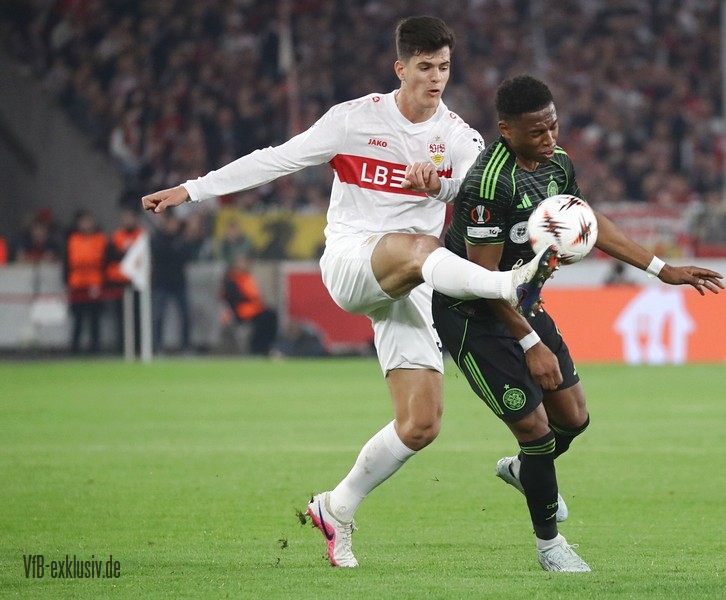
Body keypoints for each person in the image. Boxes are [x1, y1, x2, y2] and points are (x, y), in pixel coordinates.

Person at [140, 16, 558, 568]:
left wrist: (443, 185)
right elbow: (277, 158)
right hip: (354, 261)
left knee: (421, 424)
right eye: (425, 67)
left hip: (413, 281)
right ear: (400, 68)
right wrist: (192, 189)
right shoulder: (354, 120)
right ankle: (506, 284)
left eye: (444, 67)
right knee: (420, 245)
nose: (436, 78)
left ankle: (336, 507)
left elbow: (479, 185)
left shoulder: (459, 136)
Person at [432, 75, 725, 572]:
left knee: (573, 419)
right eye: (536, 132)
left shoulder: (557, 162)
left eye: (553, 126)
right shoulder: (489, 184)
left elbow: (588, 219)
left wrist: (662, 269)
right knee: (535, 429)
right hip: (471, 314)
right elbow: (484, 281)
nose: (549, 138)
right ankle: (551, 547)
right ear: (506, 130)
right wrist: (531, 344)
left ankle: (526, 472)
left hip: (523, 301)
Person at [64, 210, 108, 354]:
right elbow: (68, 262)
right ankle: (75, 348)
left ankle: (95, 348)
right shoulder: (73, 239)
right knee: (78, 319)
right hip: (77, 283)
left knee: (95, 319)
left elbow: (104, 260)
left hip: (95, 282)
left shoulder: (100, 239)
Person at [150, 212, 194, 354]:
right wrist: (175, 250)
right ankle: (158, 346)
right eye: (172, 222)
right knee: (158, 316)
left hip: (178, 282)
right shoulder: (157, 239)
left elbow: (187, 255)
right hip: (161, 282)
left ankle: (186, 346)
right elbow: (161, 254)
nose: (174, 226)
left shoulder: (181, 239)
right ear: (166, 223)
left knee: (185, 315)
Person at [222, 254, 279, 356]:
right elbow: (235, 298)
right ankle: (259, 347)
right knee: (266, 318)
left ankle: (267, 346)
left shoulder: (246, 278)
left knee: (271, 315)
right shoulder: (231, 279)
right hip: (243, 311)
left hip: (253, 309)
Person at [106, 206, 144, 353]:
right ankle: (122, 348)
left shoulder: (141, 236)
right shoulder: (116, 237)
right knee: (121, 318)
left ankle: (139, 348)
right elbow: (110, 258)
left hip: (137, 283)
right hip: (119, 283)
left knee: (138, 318)